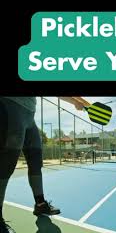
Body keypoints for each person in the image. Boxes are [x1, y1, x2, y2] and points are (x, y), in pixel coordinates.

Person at [0, 97, 89, 233]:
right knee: (6, 164)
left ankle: (40, 204)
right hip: (10, 106)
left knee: (36, 162)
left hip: (30, 116)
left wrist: (78, 100)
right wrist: (77, 101)